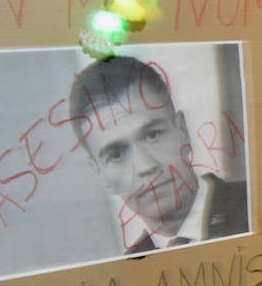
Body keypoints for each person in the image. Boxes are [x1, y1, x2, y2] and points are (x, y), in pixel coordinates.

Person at [69, 55, 248, 254]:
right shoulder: (129, 269)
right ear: (101, 175)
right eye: (117, 154)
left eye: (153, 135)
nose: (146, 166)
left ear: (183, 131)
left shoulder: (257, 207)